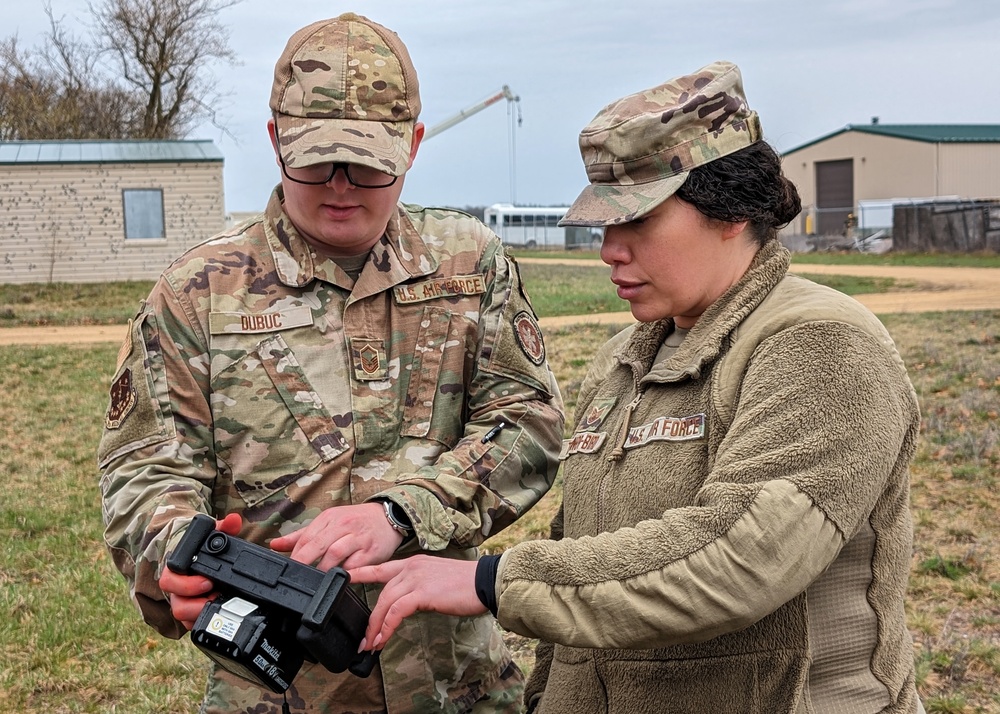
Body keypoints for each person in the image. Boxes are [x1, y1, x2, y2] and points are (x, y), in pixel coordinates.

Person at [349, 61, 925, 713]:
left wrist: (494, 581)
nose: (608, 250)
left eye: (637, 222)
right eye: (603, 226)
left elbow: (740, 560)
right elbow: (584, 562)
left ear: (730, 210)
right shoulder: (628, 356)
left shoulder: (820, 343)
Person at [98, 12, 564, 714]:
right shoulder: (200, 291)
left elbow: (527, 422)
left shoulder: (472, 267)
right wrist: (171, 551)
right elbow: (145, 466)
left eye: (369, 163)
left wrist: (405, 512)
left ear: (411, 146)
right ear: (275, 139)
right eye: (315, 159)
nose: (341, 184)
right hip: (275, 687)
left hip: (453, 685)